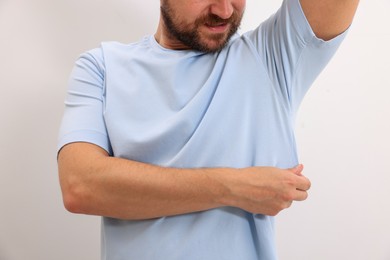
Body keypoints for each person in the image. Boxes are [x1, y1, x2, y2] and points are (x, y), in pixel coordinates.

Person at [57, 0, 359, 259]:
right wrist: (235, 187)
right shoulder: (102, 67)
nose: (225, 10)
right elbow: (81, 186)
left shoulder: (272, 56)